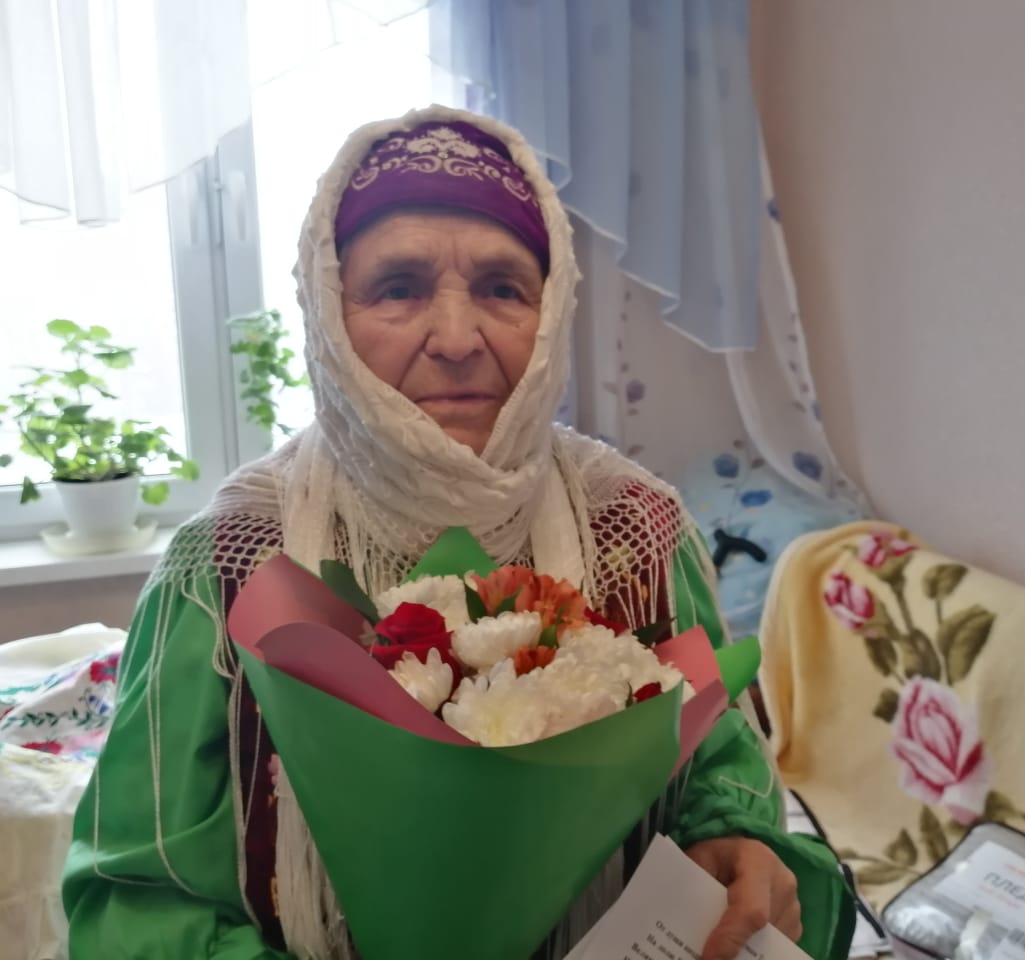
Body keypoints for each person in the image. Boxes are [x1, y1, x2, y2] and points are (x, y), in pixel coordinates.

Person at [62, 106, 854, 960]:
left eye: (502, 288)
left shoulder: (636, 530)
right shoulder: (228, 563)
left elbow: (724, 773)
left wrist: (740, 845)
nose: (455, 338)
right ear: (329, 314)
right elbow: (134, 900)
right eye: (398, 288)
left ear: (552, 310)